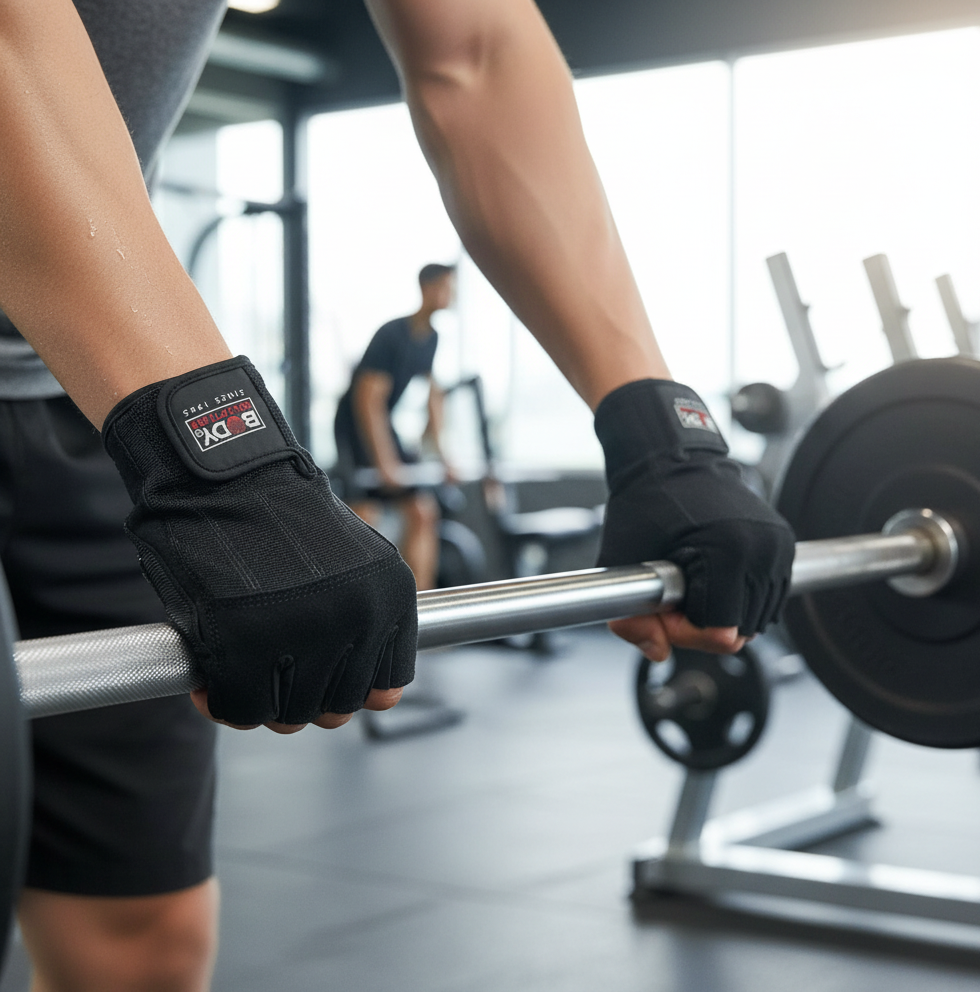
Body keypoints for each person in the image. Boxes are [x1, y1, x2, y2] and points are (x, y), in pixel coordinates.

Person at [0, 1, 796, 990]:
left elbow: (478, 52)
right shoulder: (393, 336)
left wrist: (653, 425)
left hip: (81, 400)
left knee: (143, 940)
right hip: (148, 405)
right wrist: (231, 468)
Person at [334, 262, 456, 591]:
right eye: (446, 287)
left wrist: (443, 457)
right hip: (355, 425)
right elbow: (368, 400)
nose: (451, 295)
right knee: (364, 516)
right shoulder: (391, 334)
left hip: (383, 424)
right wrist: (385, 463)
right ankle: (359, 612)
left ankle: (423, 614)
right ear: (426, 288)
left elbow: (433, 399)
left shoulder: (431, 339)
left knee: (422, 511)